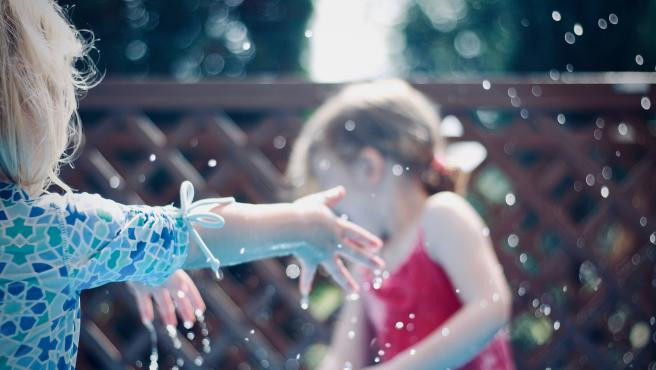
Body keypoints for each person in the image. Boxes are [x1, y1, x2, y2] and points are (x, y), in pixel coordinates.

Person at [0, 1, 383, 368]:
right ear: (33, 104)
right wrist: (303, 224)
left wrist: (131, 261)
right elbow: (193, 231)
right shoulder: (47, 231)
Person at [288, 79, 515, 370]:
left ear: (369, 167)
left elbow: (491, 308)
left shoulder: (441, 217)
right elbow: (343, 361)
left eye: (332, 187)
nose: (335, 212)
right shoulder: (369, 259)